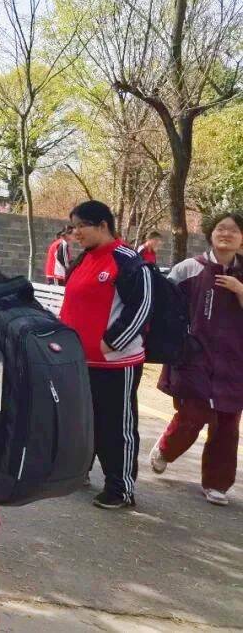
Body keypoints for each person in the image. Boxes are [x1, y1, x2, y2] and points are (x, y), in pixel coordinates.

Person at [60, 200, 152, 510]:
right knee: (83, 420)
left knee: (116, 426)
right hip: (79, 360)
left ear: (102, 225)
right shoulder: (83, 259)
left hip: (115, 363)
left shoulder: (127, 260)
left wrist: (112, 343)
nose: (76, 233)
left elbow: (142, 306)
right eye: (73, 227)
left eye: (81, 226)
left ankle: (120, 487)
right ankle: (80, 471)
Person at [150, 212, 243, 506]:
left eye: (233, 230)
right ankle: (166, 449)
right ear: (210, 234)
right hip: (195, 358)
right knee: (193, 414)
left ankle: (217, 483)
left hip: (235, 362)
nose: (226, 234)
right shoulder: (189, 268)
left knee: (227, 424)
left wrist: (240, 291)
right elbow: (163, 306)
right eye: (220, 228)